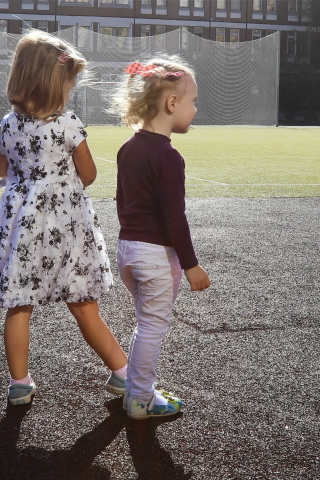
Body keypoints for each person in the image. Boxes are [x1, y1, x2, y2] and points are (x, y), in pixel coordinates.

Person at [0, 30, 128, 406]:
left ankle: (19, 384)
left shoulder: (8, 123)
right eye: (69, 83)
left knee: (19, 305)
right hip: (65, 224)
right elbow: (89, 174)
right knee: (83, 302)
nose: (71, 90)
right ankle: (123, 373)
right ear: (54, 84)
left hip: (22, 224)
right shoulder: (68, 124)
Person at [110, 57, 211, 420]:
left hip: (127, 250)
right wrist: (191, 265)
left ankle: (138, 389)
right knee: (152, 326)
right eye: (192, 102)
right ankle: (140, 399)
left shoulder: (128, 148)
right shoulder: (168, 157)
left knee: (145, 323)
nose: (195, 109)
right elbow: (174, 217)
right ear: (171, 103)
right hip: (155, 256)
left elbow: (122, 201)